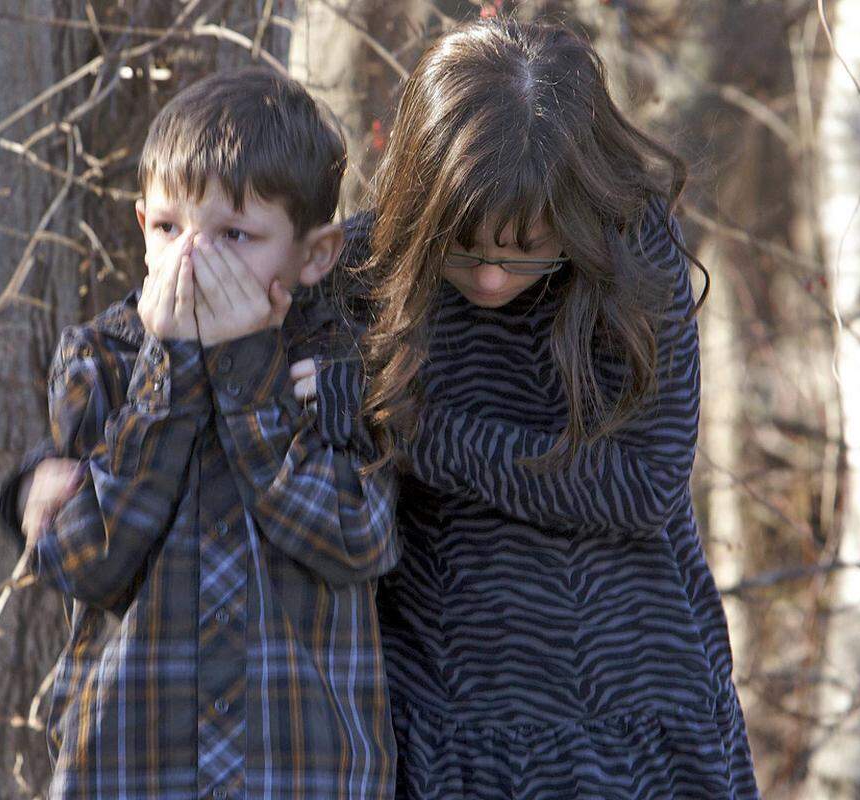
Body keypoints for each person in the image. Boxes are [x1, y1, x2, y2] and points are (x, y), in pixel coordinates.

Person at [294, 17, 761, 799]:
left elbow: (643, 484)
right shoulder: (362, 268)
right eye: (464, 250)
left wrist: (405, 424)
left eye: (525, 252)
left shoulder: (633, 252)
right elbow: (201, 336)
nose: (487, 281)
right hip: (448, 727)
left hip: (636, 719)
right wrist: (56, 464)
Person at [0, 67, 400, 799]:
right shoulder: (103, 359)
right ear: (141, 227)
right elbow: (86, 560)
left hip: (300, 773)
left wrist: (251, 380)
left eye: (234, 235)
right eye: (169, 227)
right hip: (131, 770)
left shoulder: (340, 367)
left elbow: (356, 537)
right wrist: (170, 371)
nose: (192, 258)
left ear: (315, 254)